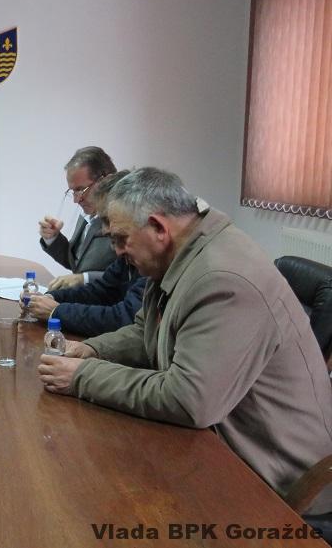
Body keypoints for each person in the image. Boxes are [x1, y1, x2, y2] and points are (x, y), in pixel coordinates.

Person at [37, 167, 332, 515]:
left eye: (120, 239)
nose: (116, 251)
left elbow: (188, 400)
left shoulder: (222, 278)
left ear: (158, 227)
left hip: (282, 486)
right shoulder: (178, 253)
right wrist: (92, 349)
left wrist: (81, 376)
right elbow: (145, 331)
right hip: (224, 447)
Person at [24, 171, 147, 337]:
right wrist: (49, 298)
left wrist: (57, 311)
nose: (104, 229)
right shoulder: (126, 255)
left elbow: (125, 318)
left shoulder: (148, 261)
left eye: (106, 218)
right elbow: (100, 291)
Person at [38, 146, 117, 289]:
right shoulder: (88, 214)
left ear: (106, 180)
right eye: (73, 191)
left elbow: (129, 276)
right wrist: (52, 238)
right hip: (81, 298)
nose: (76, 200)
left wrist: (84, 279)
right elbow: (77, 263)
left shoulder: (124, 220)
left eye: (81, 190)